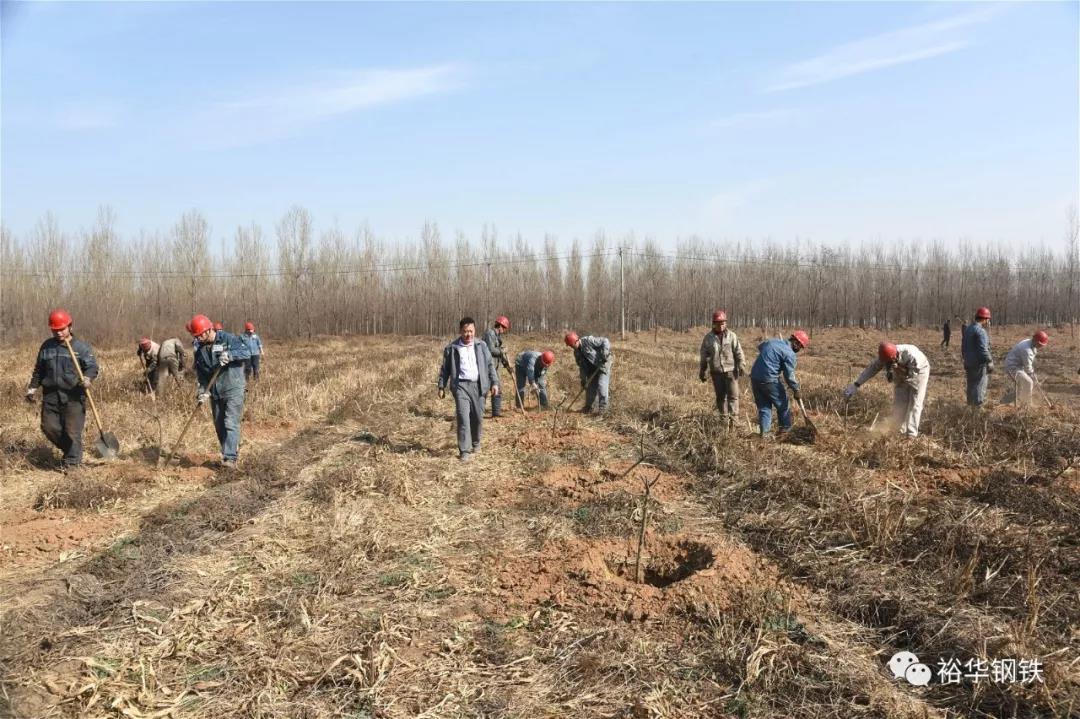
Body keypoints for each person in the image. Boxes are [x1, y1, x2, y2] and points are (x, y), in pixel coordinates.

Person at [24, 309, 99, 469]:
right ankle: (72, 450)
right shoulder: (47, 347)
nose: (58, 333)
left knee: (72, 431)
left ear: (70, 326)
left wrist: (87, 378)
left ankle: (72, 465)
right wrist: (32, 388)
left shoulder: (81, 348)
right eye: (55, 330)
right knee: (48, 427)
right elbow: (39, 370)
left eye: (62, 329)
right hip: (51, 395)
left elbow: (92, 367)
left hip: (73, 396)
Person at [189, 314, 251, 468]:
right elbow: (202, 375)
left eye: (199, 335)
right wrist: (202, 391)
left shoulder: (228, 339)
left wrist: (230, 355)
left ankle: (230, 458)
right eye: (196, 336)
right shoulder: (200, 351)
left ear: (208, 330)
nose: (198, 338)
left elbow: (246, 352)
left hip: (233, 387)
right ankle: (228, 452)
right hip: (216, 392)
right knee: (219, 425)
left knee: (230, 422)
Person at [438, 317, 500, 462]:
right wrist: (441, 386)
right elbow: (445, 369)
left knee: (477, 418)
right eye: (465, 331)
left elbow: (490, 365)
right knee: (463, 417)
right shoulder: (452, 348)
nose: (468, 334)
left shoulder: (482, 346)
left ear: (475, 331)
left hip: (479, 385)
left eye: (471, 331)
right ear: (460, 331)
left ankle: (476, 442)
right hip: (460, 386)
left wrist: (494, 383)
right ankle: (464, 450)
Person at [845, 342, 931, 438]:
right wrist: (856, 384)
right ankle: (898, 430)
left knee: (914, 403)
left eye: (889, 362)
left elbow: (910, 374)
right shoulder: (884, 356)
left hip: (919, 371)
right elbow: (872, 369)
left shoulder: (912, 357)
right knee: (899, 403)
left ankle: (911, 435)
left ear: (894, 357)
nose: (886, 364)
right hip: (900, 369)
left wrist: (898, 369)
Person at [749, 330, 809, 437]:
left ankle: (765, 435)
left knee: (764, 407)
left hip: (755, 377)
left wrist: (773, 358)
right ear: (796, 343)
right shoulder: (789, 354)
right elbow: (789, 375)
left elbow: (760, 347)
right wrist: (796, 389)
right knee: (783, 406)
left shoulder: (771, 341)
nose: (799, 349)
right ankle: (785, 432)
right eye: (800, 347)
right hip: (769, 379)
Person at [698, 310, 745, 427]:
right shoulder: (708, 338)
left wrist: (741, 365)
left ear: (726, 323)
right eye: (718, 323)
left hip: (731, 371)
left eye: (723, 323)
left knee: (733, 397)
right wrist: (703, 370)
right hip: (716, 372)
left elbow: (738, 351)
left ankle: (734, 423)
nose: (721, 325)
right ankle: (723, 422)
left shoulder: (732, 336)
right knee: (721, 398)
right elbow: (704, 355)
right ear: (713, 324)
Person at [564, 331, 612, 414]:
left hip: (602, 365)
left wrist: (605, 352)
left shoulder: (588, 340)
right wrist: (583, 380)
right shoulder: (576, 353)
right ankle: (589, 408)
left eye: (572, 345)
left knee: (601, 386)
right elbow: (581, 368)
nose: (571, 347)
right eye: (570, 346)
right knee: (590, 389)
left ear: (576, 341)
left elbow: (605, 340)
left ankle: (603, 410)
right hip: (591, 370)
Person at [1001, 331, 1049, 406]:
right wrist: (1034, 379)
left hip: (1018, 366)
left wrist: (1034, 377)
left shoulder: (1030, 343)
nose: (1041, 346)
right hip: (1012, 367)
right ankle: (1026, 405)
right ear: (1035, 341)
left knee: (1021, 387)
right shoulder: (1026, 350)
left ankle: (1004, 401)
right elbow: (1028, 369)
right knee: (1028, 383)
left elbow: (1028, 365)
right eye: (1040, 344)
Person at [961, 307, 993, 407]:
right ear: (985, 319)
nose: (988, 322)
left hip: (968, 362)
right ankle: (977, 408)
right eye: (988, 319)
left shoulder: (968, 329)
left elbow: (963, 346)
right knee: (980, 385)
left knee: (971, 386)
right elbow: (983, 350)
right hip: (979, 364)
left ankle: (970, 407)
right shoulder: (981, 331)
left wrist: (965, 358)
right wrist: (989, 361)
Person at [481, 316, 511, 417]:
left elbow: (499, 354)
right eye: (504, 328)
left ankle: (496, 413)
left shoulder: (497, 337)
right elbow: (490, 350)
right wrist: (502, 351)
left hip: (495, 367)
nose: (504, 330)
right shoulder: (490, 334)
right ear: (500, 326)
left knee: (497, 387)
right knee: (484, 389)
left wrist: (507, 365)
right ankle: (478, 413)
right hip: (487, 366)